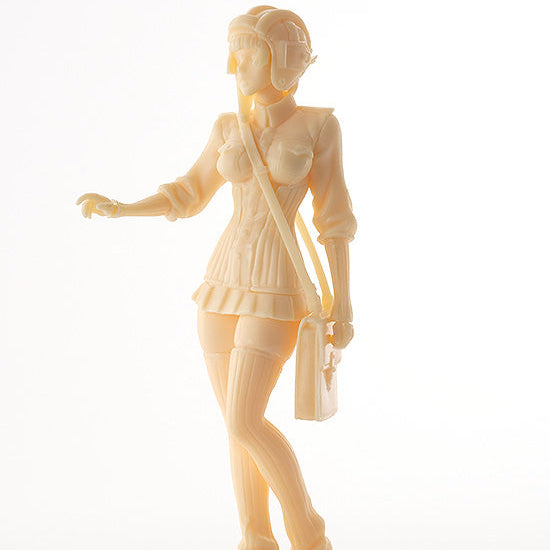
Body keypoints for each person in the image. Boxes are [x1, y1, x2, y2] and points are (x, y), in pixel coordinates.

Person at [77, 6, 356, 550]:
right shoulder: (229, 127)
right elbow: (189, 192)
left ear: (282, 59)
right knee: (235, 425)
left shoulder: (319, 126)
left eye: (246, 52)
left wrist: (342, 304)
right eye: (234, 52)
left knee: (245, 420)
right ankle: (255, 539)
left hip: (278, 288)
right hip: (221, 282)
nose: (234, 65)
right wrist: (123, 207)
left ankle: (309, 533)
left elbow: (335, 220)